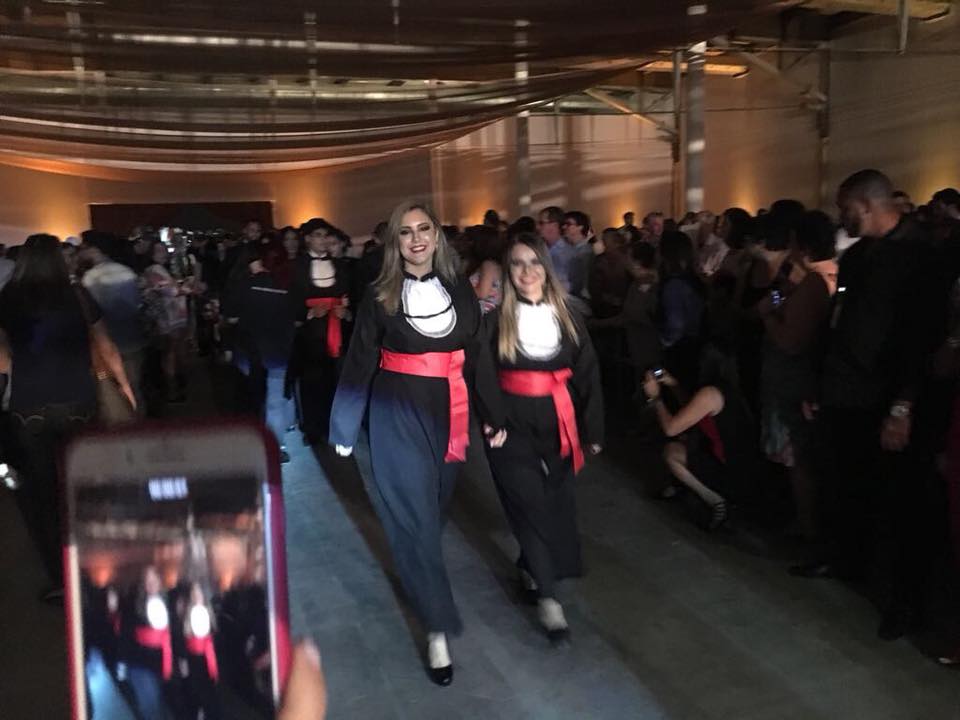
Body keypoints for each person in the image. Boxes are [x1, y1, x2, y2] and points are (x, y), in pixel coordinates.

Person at [328, 201, 506, 686]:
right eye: (405, 232)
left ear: (436, 236)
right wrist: (344, 425)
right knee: (417, 518)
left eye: (423, 228)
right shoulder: (379, 294)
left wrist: (494, 414)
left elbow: (476, 356)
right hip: (396, 412)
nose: (416, 238)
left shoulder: (460, 289)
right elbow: (360, 358)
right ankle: (437, 628)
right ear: (395, 242)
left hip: (450, 412)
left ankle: (419, 574)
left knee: (433, 512)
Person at [791, 169, 933, 642]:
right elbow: (838, 323)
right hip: (844, 391)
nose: (841, 216)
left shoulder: (919, 255)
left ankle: (902, 602)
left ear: (867, 205)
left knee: (897, 502)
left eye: (845, 207)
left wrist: (904, 404)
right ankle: (845, 558)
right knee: (844, 482)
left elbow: (921, 339)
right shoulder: (856, 258)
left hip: (885, 396)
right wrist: (819, 381)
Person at [0, 234, 134, 599]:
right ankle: (95, 566)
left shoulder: (8, 298)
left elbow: (3, 358)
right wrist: (124, 386)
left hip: (29, 406)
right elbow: (105, 346)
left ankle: (61, 578)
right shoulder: (77, 295)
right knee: (86, 485)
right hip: (78, 400)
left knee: (42, 495)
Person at [484, 233, 603, 644]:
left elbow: (588, 374)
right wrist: (492, 421)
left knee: (554, 502)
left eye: (534, 262)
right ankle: (549, 599)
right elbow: (482, 376)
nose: (527, 271)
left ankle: (529, 564)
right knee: (529, 502)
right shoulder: (494, 322)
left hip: (559, 419)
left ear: (546, 269)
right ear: (508, 271)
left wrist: (593, 430)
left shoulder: (569, 317)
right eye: (518, 263)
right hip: (510, 425)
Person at [758, 210, 837, 542]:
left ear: (802, 246)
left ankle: (808, 529)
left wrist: (767, 316)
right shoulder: (823, 275)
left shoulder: (815, 283)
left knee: (799, 459)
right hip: (804, 380)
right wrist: (779, 297)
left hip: (796, 381)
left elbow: (791, 340)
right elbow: (783, 300)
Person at [643, 348, 755, 530]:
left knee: (672, 452)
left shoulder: (710, 394)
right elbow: (692, 408)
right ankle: (683, 489)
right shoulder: (725, 389)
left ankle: (717, 501)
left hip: (731, 472)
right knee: (685, 439)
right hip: (734, 464)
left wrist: (655, 399)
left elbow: (671, 428)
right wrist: (673, 384)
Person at [223, 244, 297, 462]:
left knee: (251, 401)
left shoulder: (245, 285)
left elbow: (231, 317)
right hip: (279, 351)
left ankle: (249, 444)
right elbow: (297, 318)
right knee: (275, 401)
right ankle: (275, 447)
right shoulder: (287, 286)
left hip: (249, 351)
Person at [288, 218, 352, 445]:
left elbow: (350, 296)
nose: (323, 240)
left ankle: (333, 426)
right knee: (310, 382)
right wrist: (308, 313)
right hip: (309, 333)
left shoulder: (340, 266)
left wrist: (347, 312)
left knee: (336, 381)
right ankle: (313, 429)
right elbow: (289, 300)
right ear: (307, 239)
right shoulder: (296, 266)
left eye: (326, 236)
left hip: (337, 330)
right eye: (318, 236)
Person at [79, 232, 147, 414]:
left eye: (84, 248)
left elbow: (91, 315)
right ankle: (139, 422)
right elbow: (137, 305)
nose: (81, 252)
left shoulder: (90, 278)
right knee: (134, 387)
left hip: (105, 342)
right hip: (131, 337)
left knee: (109, 391)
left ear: (95, 249)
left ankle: (120, 425)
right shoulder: (126, 272)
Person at [142, 239, 193, 404]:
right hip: (168, 318)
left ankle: (175, 386)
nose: (163, 253)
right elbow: (171, 291)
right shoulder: (154, 270)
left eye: (164, 250)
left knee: (174, 352)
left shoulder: (161, 269)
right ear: (151, 254)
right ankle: (172, 390)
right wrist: (188, 287)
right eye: (158, 251)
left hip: (174, 317)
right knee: (170, 354)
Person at [658, 231, 705, 386]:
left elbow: (675, 324)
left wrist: (664, 341)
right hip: (697, 344)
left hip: (680, 349)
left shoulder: (673, 286)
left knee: (677, 388)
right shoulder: (693, 279)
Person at [464, 225, 505, 314]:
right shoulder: (491, 264)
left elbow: (482, 293)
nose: (467, 244)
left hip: (484, 314)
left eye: (471, 240)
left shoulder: (488, 265)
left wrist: (461, 288)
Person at [562, 210, 594, 315]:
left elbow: (582, 282)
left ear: (580, 227)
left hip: (580, 302)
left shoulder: (585, 251)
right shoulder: (572, 249)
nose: (564, 227)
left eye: (568, 224)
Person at [538, 206, 574, 289]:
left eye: (541, 223)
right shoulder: (539, 248)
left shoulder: (568, 253)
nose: (538, 227)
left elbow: (570, 286)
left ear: (555, 225)